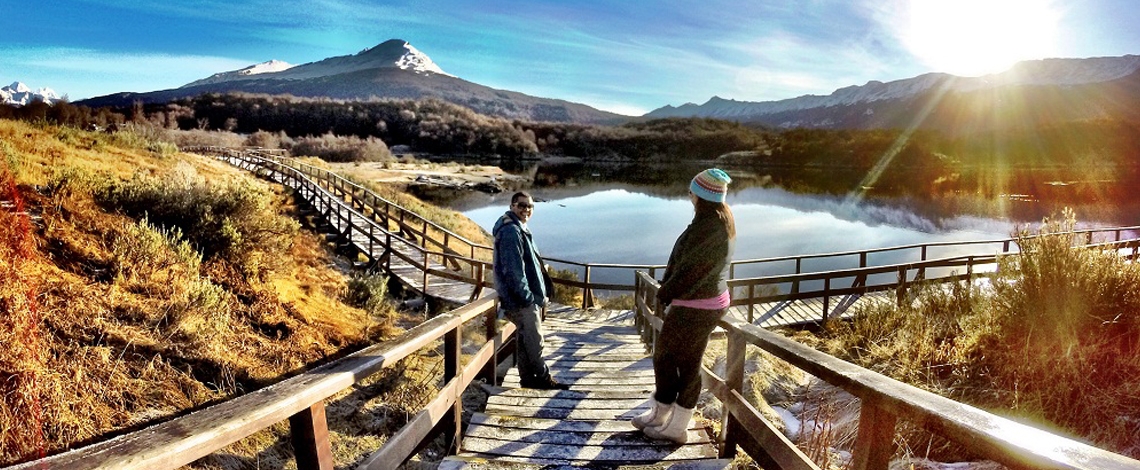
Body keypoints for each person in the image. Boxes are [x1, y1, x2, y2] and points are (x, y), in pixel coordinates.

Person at [634, 168, 735, 444]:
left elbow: (691, 270)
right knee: (666, 357)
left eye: (692, 190)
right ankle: (660, 413)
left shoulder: (710, 226)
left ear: (700, 195)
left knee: (684, 364)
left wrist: (665, 292)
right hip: (697, 300)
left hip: (699, 304)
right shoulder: (710, 220)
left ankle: (677, 427)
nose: (689, 194)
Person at [492, 191, 569, 390]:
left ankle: (527, 379)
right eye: (521, 205)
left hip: (525, 298)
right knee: (535, 343)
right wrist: (528, 298)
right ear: (512, 206)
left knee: (526, 341)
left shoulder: (520, 228)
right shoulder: (511, 232)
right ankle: (544, 380)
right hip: (520, 300)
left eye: (529, 206)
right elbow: (513, 271)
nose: (526, 209)